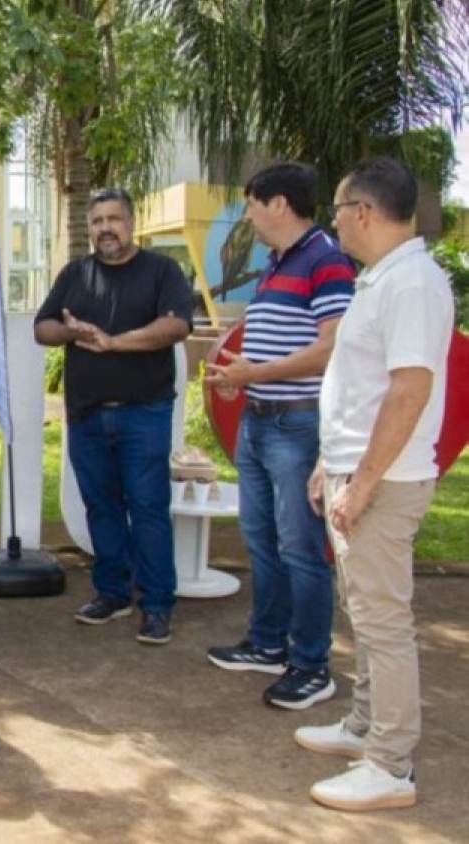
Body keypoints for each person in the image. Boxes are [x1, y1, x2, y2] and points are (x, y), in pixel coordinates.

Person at [295, 158, 452, 812]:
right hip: (358, 473)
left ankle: (390, 763)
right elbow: (360, 389)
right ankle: (364, 724)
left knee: (383, 621)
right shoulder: (383, 280)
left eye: (336, 210)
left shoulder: (411, 283)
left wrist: (359, 484)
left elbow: (409, 391)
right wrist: (329, 464)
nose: (333, 223)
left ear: (363, 211)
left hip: (382, 484)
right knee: (362, 609)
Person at [204, 163, 355, 709]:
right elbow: (274, 343)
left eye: (251, 205)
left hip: (295, 421)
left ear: (280, 205)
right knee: (262, 539)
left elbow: (330, 347)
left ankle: (312, 664)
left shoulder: (326, 260)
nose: (247, 215)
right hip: (259, 418)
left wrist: (254, 375)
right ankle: (268, 643)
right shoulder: (275, 264)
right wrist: (236, 376)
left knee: (300, 546)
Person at [34, 187, 192, 645]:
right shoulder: (76, 274)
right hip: (86, 415)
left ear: (131, 222)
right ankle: (112, 593)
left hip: (143, 413)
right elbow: (42, 328)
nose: (105, 228)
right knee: (101, 507)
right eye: (98, 220)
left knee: (147, 508)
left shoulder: (162, 270)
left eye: (114, 219)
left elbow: (177, 326)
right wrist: (70, 330)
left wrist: (114, 341)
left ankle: (157, 604)